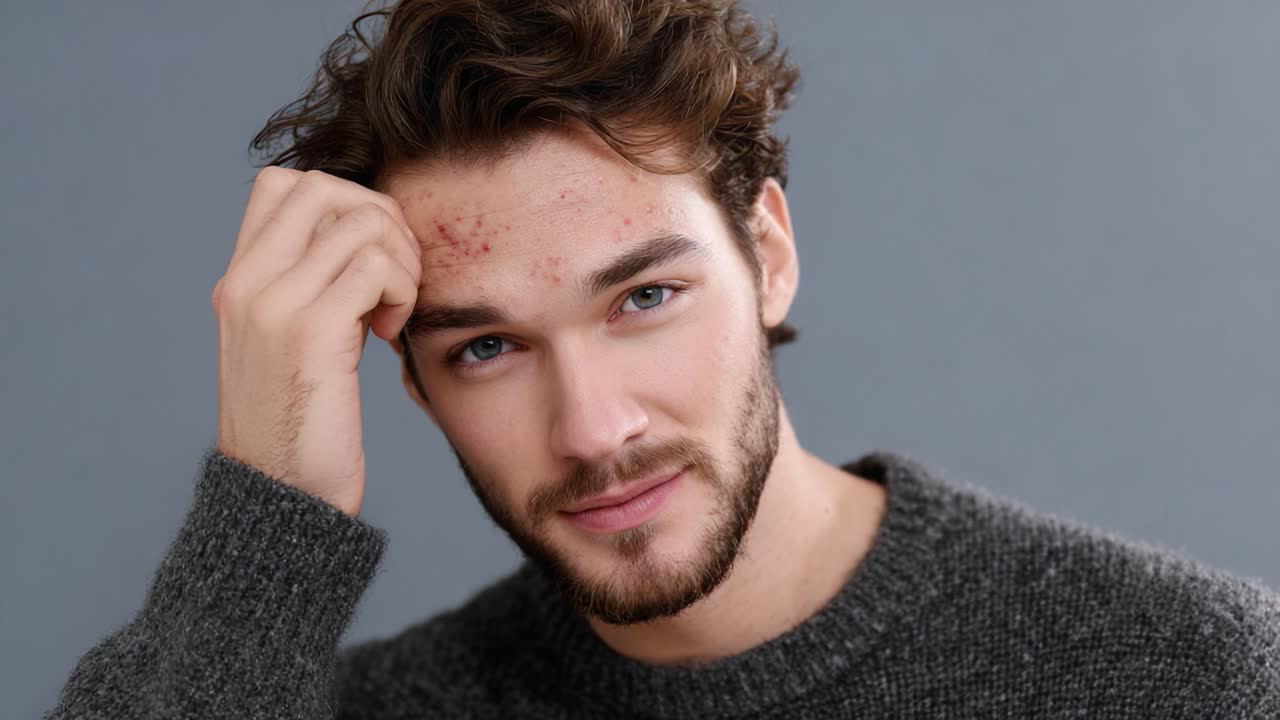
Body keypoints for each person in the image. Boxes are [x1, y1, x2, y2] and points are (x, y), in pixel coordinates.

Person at [46, 1, 1279, 718]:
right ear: (409, 381)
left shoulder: (1181, 675)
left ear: (768, 253)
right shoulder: (369, 709)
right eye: (484, 346)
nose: (592, 429)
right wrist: (271, 517)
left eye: (643, 296)